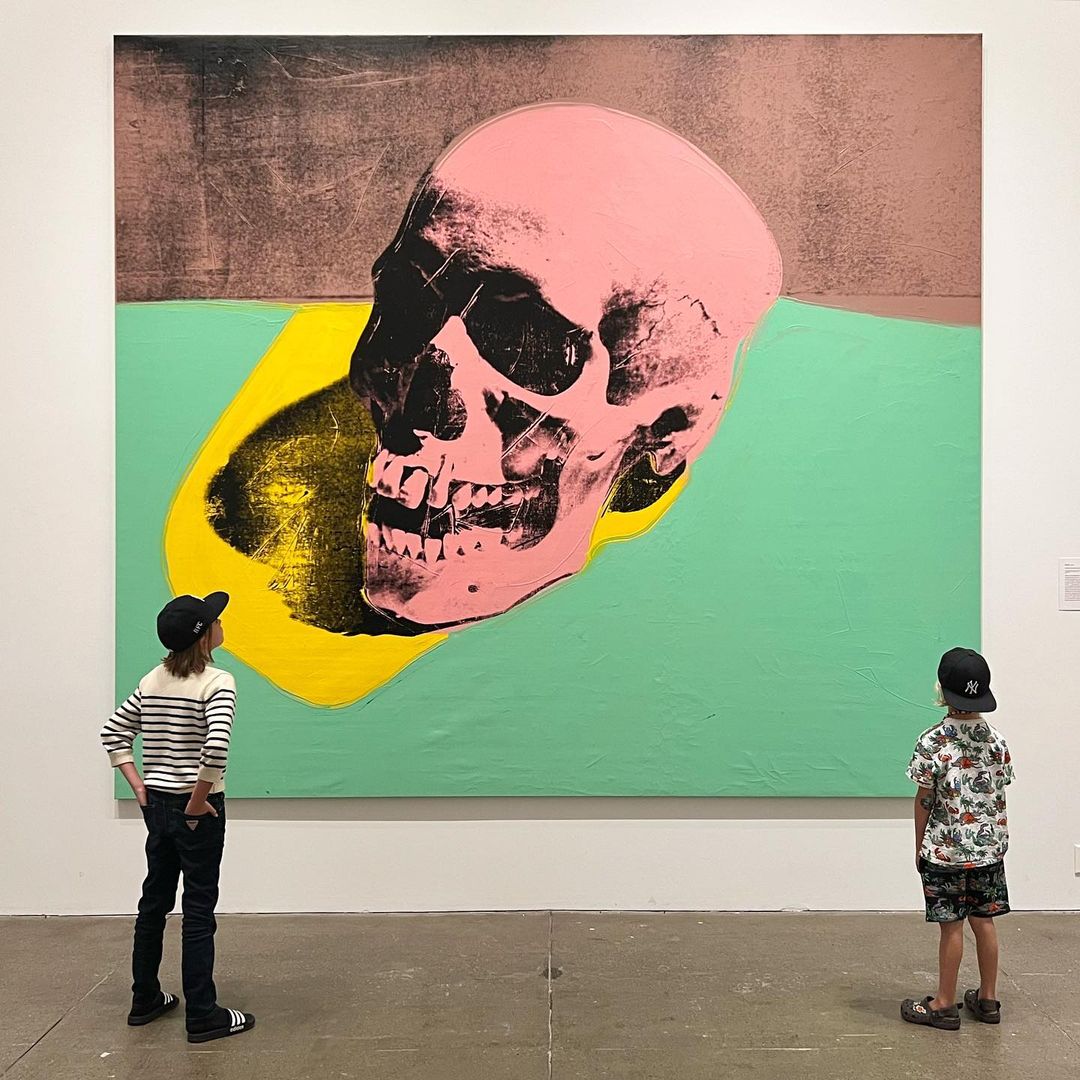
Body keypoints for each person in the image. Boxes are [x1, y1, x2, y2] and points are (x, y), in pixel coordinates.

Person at [100, 592, 255, 1043]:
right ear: (204, 637)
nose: (221, 623)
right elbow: (216, 747)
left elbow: (113, 732)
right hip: (197, 809)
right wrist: (197, 800)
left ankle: (144, 998)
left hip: (159, 806)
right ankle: (203, 1014)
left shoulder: (153, 680)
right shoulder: (217, 682)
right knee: (198, 910)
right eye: (215, 620)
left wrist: (140, 786)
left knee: (154, 902)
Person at [901, 647, 1013, 1030]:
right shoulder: (997, 742)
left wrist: (920, 847)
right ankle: (988, 1000)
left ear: (942, 690)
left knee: (952, 927)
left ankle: (944, 1003)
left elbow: (924, 801)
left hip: (945, 854)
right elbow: (998, 793)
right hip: (989, 852)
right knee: (985, 922)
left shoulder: (932, 742)